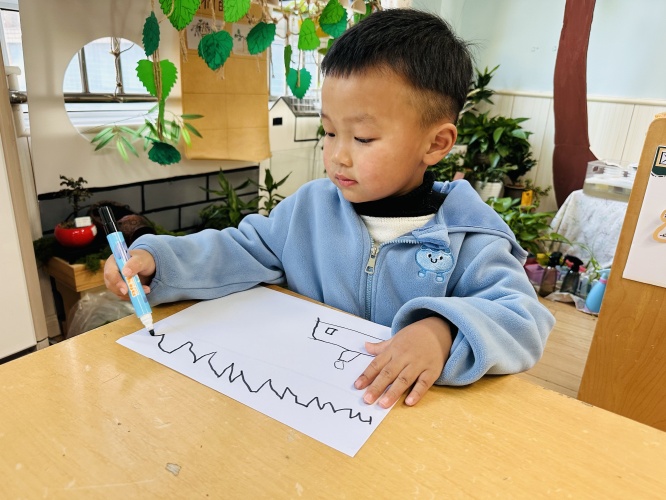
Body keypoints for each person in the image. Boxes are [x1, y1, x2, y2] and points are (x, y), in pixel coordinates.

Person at [104, 8, 555, 409]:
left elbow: (524, 320)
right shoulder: (309, 210)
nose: (338, 155)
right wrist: (158, 260)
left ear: (436, 144)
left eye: (363, 138)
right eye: (330, 132)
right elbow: (238, 249)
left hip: (412, 425)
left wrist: (442, 331)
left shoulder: (470, 237)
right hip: (310, 409)